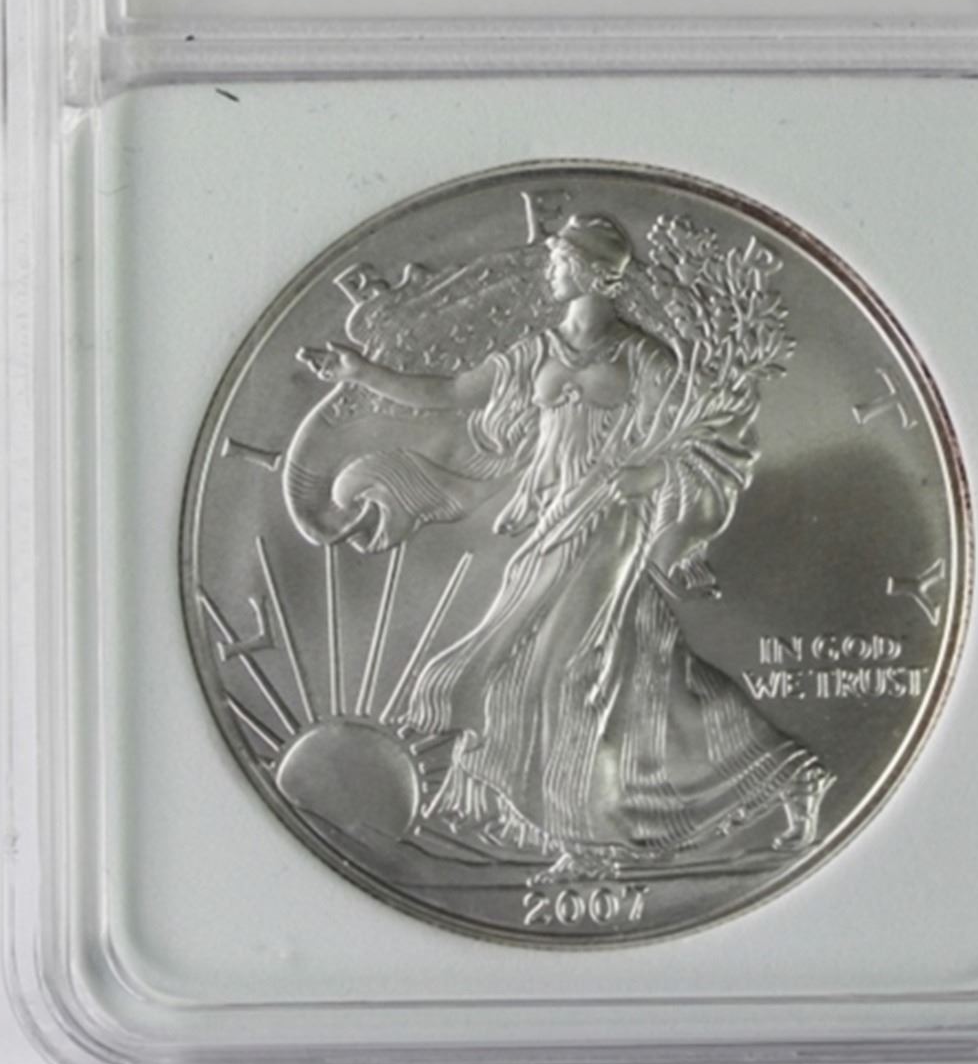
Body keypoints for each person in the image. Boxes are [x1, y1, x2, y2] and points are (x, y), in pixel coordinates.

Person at [316, 213, 830, 870]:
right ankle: (789, 777)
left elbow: (708, 441)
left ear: (591, 272)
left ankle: (580, 835)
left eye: (560, 261)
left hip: (612, 524)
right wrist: (361, 372)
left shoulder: (643, 358)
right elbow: (451, 392)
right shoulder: (536, 350)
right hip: (554, 521)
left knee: (564, 667)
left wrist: (642, 475)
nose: (550, 271)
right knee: (641, 670)